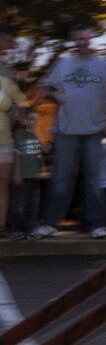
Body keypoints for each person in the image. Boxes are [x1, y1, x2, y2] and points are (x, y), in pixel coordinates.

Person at [34, 25, 106, 240]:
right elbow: (44, 88)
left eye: (86, 38)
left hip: (94, 131)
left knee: (95, 181)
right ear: (73, 40)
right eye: (78, 38)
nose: (83, 42)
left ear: (92, 38)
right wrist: (56, 96)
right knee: (61, 180)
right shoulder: (63, 64)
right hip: (66, 131)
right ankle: (51, 224)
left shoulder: (105, 66)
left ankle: (97, 225)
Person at [0, 69, 30, 234]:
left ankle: (1, 225)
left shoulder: (6, 83)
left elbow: (24, 104)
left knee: (3, 183)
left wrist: (17, 115)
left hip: (5, 141)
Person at [8, 110, 45, 240]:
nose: (32, 122)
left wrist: (38, 134)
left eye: (35, 120)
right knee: (19, 204)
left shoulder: (39, 136)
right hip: (23, 175)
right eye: (29, 119)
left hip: (34, 176)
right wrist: (17, 173)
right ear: (25, 121)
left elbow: (45, 149)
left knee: (33, 205)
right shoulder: (20, 135)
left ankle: (30, 229)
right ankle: (16, 229)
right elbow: (17, 154)